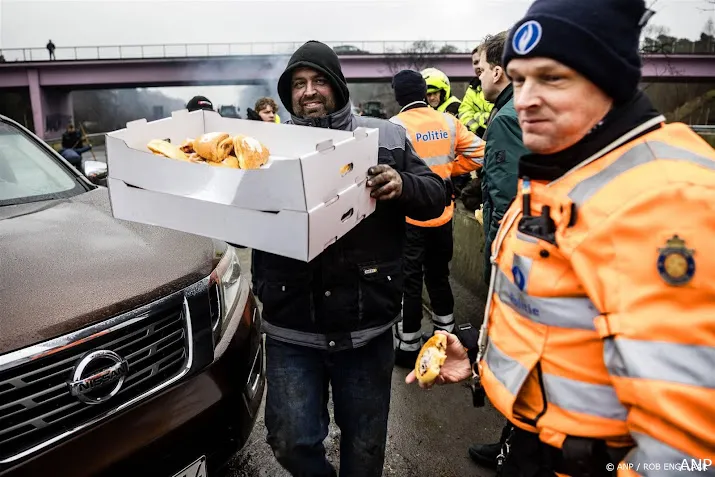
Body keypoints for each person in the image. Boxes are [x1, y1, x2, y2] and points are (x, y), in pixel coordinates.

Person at [408, 0, 715, 475]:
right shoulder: (570, 167)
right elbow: (564, 317)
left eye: (551, 78)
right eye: (519, 77)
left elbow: (691, 446)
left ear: (608, 78)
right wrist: (481, 351)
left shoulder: (666, 198)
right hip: (538, 445)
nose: (526, 98)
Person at [252, 40, 445, 477]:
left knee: (366, 444)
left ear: (337, 85)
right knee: (289, 440)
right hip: (291, 326)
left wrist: (403, 184)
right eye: (298, 84)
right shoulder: (267, 149)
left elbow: (436, 196)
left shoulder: (387, 137)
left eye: (319, 80)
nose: (309, 91)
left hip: (366, 324)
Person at [388, 69, 484, 368]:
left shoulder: (392, 127)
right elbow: (481, 154)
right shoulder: (448, 122)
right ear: (422, 91)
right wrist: (447, 170)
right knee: (439, 276)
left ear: (397, 96)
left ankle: (408, 345)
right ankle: (445, 339)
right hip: (442, 215)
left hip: (409, 218)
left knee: (410, 282)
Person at [466, 30, 531, 470]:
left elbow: (506, 195)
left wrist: (497, 249)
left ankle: (514, 446)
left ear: (498, 70)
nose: (475, 81)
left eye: (478, 70)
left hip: (511, 252)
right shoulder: (515, 109)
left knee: (513, 350)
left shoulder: (506, 116)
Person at [459, 46, 494, 139]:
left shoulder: (497, 84)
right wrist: (478, 129)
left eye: (481, 61)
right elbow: (464, 113)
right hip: (479, 138)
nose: (478, 66)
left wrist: (477, 115)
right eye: (475, 63)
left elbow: (497, 114)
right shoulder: (472, 89)